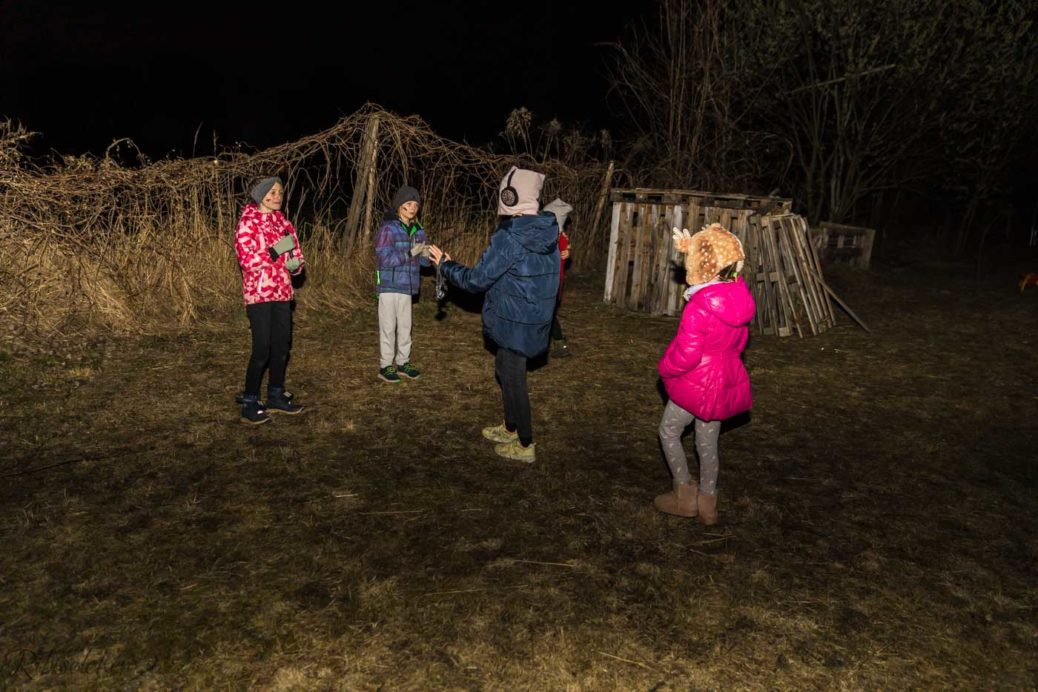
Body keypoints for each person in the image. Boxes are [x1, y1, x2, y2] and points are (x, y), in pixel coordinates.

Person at [428, 166, 559, 463]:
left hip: (516, 320)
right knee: (504, 369)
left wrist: (445, 266)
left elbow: (476, 281)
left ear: (509, 196)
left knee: (514, 379)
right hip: (528, 318)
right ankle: (511, 427)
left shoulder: (511, 236)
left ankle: (525, 444)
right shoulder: (547, 229)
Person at [654, 223, 755, 524]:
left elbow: (686, 355)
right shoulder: (739, 299)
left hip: (697, 383)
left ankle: (684, 495)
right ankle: (708, 505)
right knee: (707, 442)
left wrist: (664, 369)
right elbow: (739, 342)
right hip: (724, 378)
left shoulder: (699, 307)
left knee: (669, 431)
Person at [234, 176, 306, 425]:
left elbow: (296, 254)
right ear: (260, 194)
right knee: (262, 349)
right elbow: (248, 260)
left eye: (281, 192)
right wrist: (276, 252)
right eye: (272, 192)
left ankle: (275, 395)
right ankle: (250, 401)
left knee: (281, 348)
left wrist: (295, 267)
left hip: (283, 292)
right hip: (259, 294)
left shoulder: (284, 223)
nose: (278, 196)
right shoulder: (247, 222)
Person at [374, 185, 431, 383]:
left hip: (408, 285)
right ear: (399, 206)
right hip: (389, 285)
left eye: (416, 204)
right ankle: (385, 366)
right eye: (408, 203)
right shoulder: (388, 228)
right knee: (388, 327)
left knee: (405, 327)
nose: (413, 208)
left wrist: (426, 255)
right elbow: (383, 258)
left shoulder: (418, 230)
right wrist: (409, 253)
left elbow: (423, 262)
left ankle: (403, 362)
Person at [542, 198, 573, 358]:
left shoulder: (557, 237)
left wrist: (567, 249)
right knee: (547, 314)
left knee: (546, 314)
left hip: (551, 283)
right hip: (548, 282)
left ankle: (560, 343)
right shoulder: (556, 236)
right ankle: (560, 343)